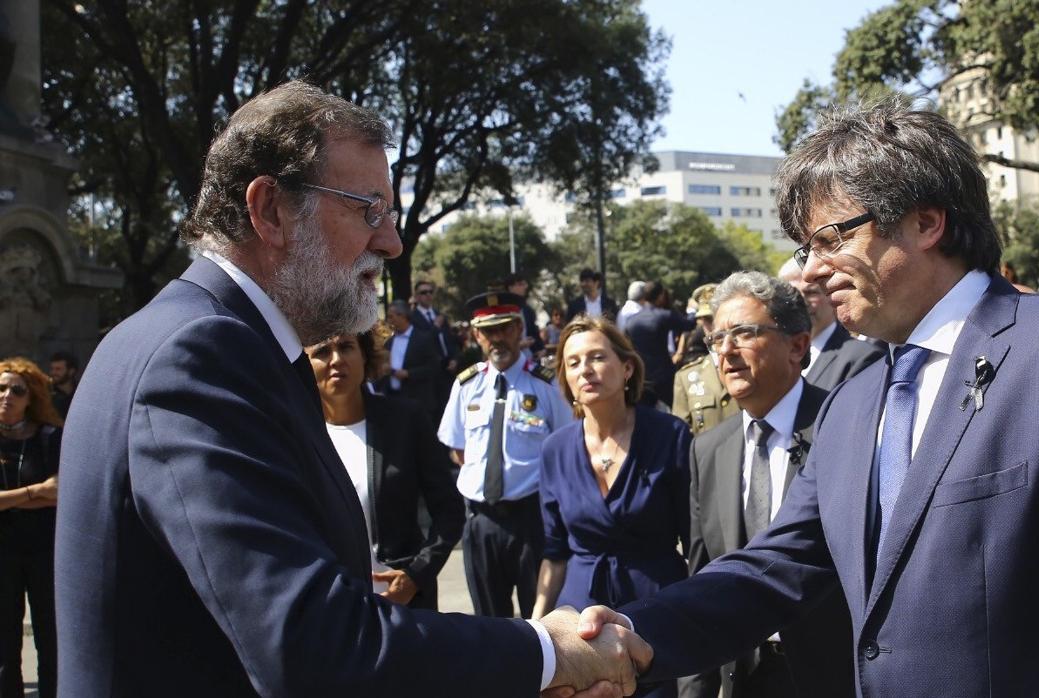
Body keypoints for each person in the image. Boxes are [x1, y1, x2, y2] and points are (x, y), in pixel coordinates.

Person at [570, 97, 1039, 697]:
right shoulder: (851, 402)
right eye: (806, 248)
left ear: (927, 222)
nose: (812, 270)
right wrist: (632, 636)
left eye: (831, 238)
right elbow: (774, 569)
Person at [55, 80, 643, 697]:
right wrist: (545, 654)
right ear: (270, 211)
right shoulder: (201, 356)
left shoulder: (214, 343)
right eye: (369, 210)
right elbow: (310, 643)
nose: (390, 241)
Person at [678, 272, 852, 698]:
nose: (726, 351)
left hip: (835, 676)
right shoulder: (709, 450)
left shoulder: (846, 426)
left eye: (744, 334)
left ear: (797, 345)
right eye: (717, 338)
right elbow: (702, 576)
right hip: (743, 678)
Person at [533, 316, 691, 698]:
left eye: (597, 357)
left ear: (627, 368)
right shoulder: (554, 449)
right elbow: (555, 553)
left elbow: (695, 538)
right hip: (582, 622)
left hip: (656, 610)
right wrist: (536, 627)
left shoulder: (670, 435)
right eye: (573, 363)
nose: (585, 369)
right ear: (566, 381)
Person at [438, 291, 575, 620]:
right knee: (488, 622)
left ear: (518, 330)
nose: (497, 339)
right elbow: (458, 449)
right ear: (476, 336)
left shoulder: (545, 385)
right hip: (482, 521)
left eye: (504, 329)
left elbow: (567, 448)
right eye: (488, 331)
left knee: (540, 620)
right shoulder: (466, 386)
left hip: (532, 518)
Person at [307, 326, 465, 608]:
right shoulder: (299, 435)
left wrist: (416, 576)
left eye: (346, 347)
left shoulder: (406, 421)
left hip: (405, 604)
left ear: (365, 356)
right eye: (321, 351)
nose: (336, 360)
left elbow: (450, 512)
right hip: (335, 606)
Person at [0, 358, 60, 698]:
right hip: (3, 552)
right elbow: (49, 492)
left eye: (17, 390)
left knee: (50, 637)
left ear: (31, 396)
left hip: (44, 550)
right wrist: (35, 492)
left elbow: (62, 492)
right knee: (5, 642)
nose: (7, 395)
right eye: (2, 388)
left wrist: (8, 499)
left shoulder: (50, 438)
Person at [778, 256, 882, 391]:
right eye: (791, 294)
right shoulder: (774, 353)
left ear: (831, 295)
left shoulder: (861, 358)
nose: (800, 301)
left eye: (811, 292)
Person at [672, 284, 739, 435]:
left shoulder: (753, 366)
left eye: (719, 318)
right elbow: (681, 434)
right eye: (708, 320)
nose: (716, 328)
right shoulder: (685, 378)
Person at [625, 282, 695, 408]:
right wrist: (692, 310)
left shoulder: (631, 321)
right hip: (664, 375)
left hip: (642, 377)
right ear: (661, 295)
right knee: (678, 409)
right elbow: (689, 324)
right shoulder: (664, 316)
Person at [410, 279, 461, 414]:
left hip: (447, 370)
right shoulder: (412, 318)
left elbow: (450, 341)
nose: (428, 295)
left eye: (430, 292)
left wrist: (455, 358)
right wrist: (435, 328)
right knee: (433, 412)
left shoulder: (439, 315)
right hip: (429, 374)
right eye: (423, 292)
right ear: (416, 296)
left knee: (449, 409)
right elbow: (420, 343)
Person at [382, 300, 441, 408]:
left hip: (417, 400)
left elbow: (434, 367)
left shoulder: (423, 339)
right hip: (392, 399)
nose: (388, 320)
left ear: (403, 316)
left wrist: (409, 374)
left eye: (391, 317)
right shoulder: (389, 342)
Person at [506, 272, 546, 357]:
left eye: (525, 284)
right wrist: (519, 345)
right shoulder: (503, 311)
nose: (525, 287)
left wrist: (541, 349)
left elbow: (534, 334)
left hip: (528, 359)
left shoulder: (527, 310)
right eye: (520, 284)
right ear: (510, 288)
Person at [46, 351, 77, 419]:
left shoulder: (80, 393)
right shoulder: (46, 393)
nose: (53, 373)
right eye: (52, 369)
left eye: (58, 369)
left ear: (71, 371)